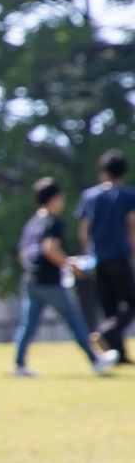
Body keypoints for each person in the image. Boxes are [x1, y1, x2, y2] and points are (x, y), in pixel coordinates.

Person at [13, 177, 113, 377]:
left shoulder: (31, 223)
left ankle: (19, 365)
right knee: (74, 319)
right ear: (55, 198)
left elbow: (23, 254)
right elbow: (50, 249)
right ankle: (95, 360)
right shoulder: (53, 222)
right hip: (49, 282)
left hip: (30, 281)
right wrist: (70, 264)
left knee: (27, 325)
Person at [78, 149, 135, 364]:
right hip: (119, 257)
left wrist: (87, 255)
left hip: (98, 259)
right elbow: (131, 227)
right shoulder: (128, 195)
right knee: (131, 303)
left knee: (110, 308)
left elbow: (84, 229)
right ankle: (106, 332)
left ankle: (119, 355)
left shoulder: (89, 196)